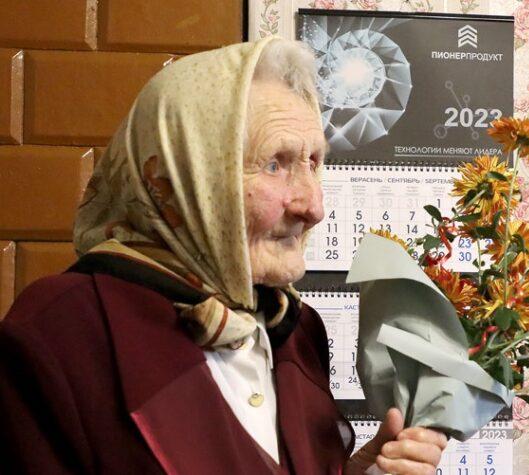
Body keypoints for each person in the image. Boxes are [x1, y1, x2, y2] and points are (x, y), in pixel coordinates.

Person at [0, 37, 447, 474]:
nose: (313, 207)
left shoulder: (296, 329)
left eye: (313, 162)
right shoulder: (62, 332)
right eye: (274, 164)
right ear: (185, 175)